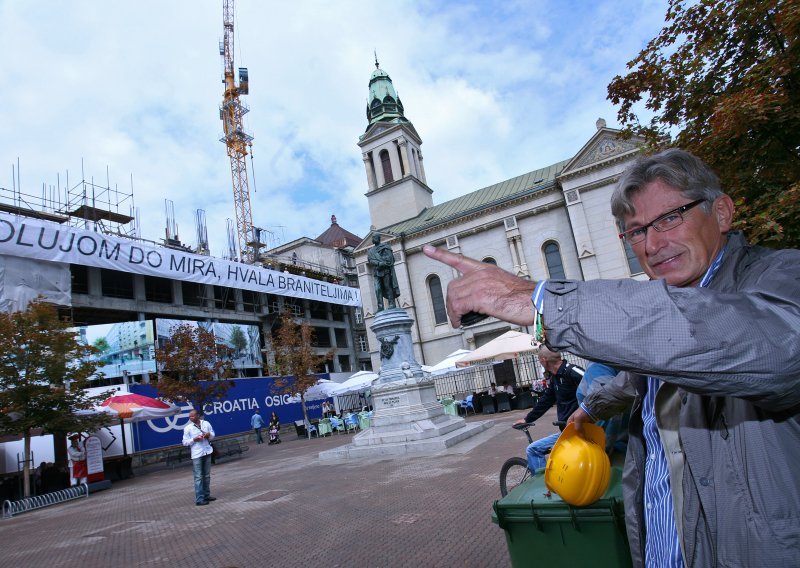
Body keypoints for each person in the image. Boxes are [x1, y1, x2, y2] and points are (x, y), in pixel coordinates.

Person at [423, 148, 800, 567]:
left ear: (723, 212)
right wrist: (590, 408)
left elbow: (756, 346)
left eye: (670, 217)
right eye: (636, 232)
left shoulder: (781, 278)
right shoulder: (667, 320)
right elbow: (646, 376)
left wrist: (540, 299)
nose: (653, 244)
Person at [514, 347, 584, 473]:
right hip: (567, 431)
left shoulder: (572, 371)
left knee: (533, 449)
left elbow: (597, 387)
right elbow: (546, 401)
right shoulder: (555, 378)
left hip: (578, 432)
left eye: (539, 360)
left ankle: (544, 488)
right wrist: (527, 419)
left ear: (544, 360)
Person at [182, 410, 216, 506]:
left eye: (192, 416)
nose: (190, 418)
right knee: (198, 477)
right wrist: (194, 439)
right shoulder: (188, 428)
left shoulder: (206, 423)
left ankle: (206, 495)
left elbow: (213, 435)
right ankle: (199, 499)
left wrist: (209, 435)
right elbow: (184, 442)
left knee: (206, 475)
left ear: (197, 416)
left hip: (207, 451)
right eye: (189, 417)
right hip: (197, 454)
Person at [367, 234, 400, 311]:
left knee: (388, 287)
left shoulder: (385, 247)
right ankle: (380, 307)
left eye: (375, 237)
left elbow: (390, 258)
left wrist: (380, 262)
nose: (373, 239)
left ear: (379, 238)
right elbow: (370, 260)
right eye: (372, 238)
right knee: (377, 289)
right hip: (376, 272)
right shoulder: (371, 251)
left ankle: (391, 303)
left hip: (385, 271)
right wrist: (379, 263)